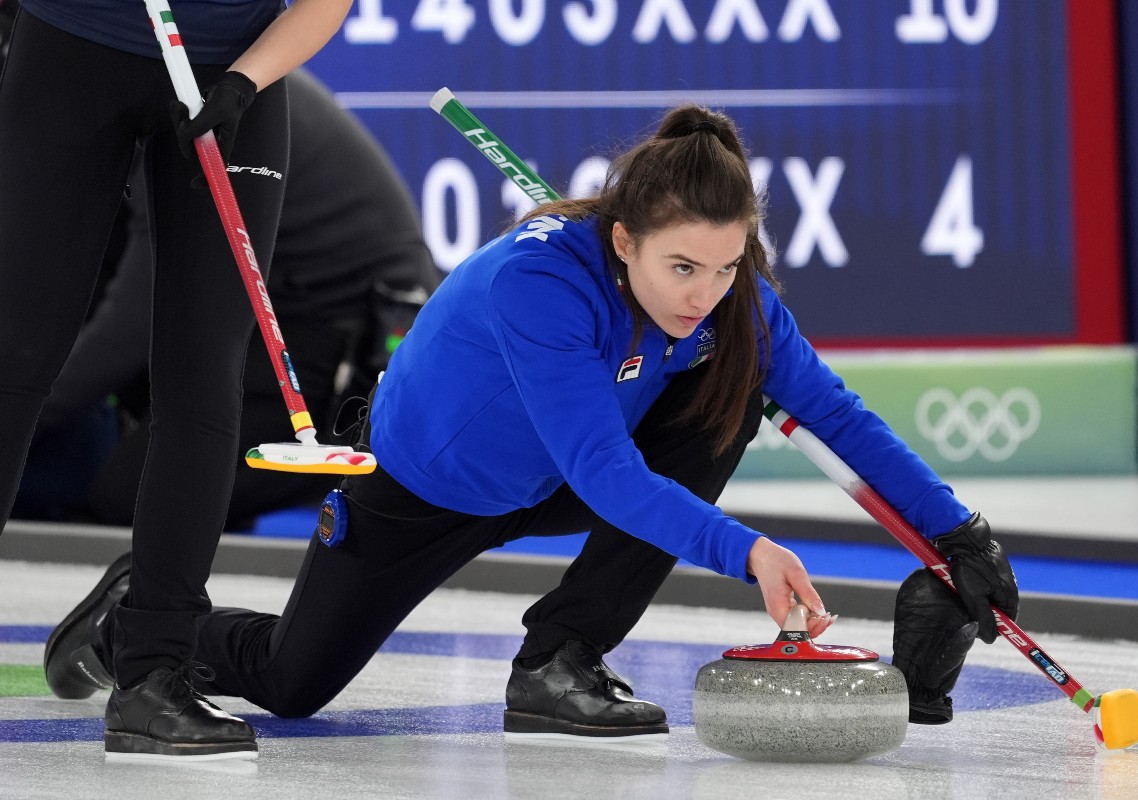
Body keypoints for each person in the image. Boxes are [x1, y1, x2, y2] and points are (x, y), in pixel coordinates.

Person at [45, 104, 1019, 742]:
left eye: (726, 268)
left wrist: (956, 530)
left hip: (549, 479)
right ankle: (141, 612)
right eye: (684, 268)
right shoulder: (540, 284)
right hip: (421, 486)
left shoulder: (734, 307)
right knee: (295, 681)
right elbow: (602, 470)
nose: (707, 293)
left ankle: (560, 659)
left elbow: (835, 411)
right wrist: (748, 549)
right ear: (626, 239)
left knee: (727, 407)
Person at [0, 0, 353, 760]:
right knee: (16, 354)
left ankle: (155, 675)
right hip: (73, 44)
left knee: (204, 371)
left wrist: (245, 82)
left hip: (231, 74)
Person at [12, 68, 443, 530]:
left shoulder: (191, 107)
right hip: (265, 309)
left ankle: (361, 474)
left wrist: (20, 412)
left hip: (347, 342)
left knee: (137, 499)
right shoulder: (154, 83)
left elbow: (134, 323)